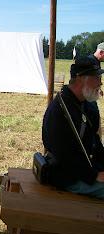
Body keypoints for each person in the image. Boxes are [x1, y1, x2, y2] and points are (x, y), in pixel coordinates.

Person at [42, 57, 104, 199]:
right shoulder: (58, 110)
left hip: (85, 168)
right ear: (79, 80)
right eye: (96, 78)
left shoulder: (86, 105)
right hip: (67, 176)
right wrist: (94, 176)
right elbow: (64, 156)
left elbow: (94, 142)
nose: (100, 83)